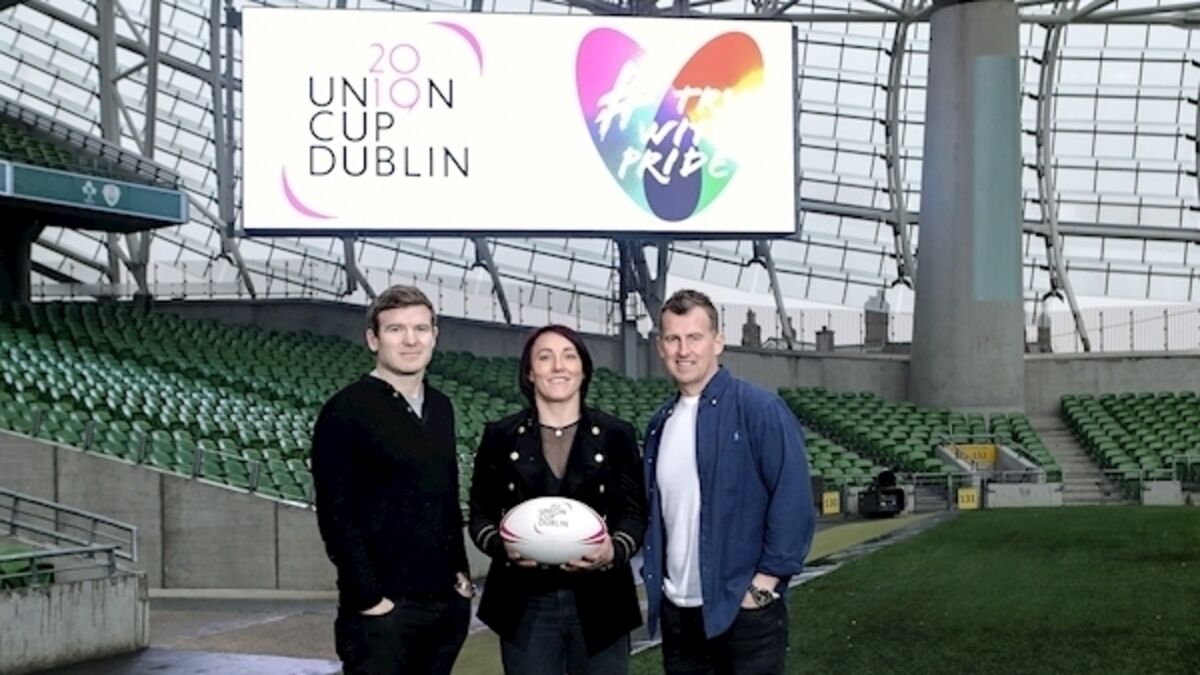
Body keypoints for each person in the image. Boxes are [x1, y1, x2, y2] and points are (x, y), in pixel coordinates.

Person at [642, 289, 816, 675]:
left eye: (694, 337)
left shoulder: (759, 408)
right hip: (679, 614)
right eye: (673, 338)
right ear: (660, 347)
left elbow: (793, 500)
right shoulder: (659, 424)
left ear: (718, 341)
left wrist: (762, 587)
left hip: (744, 611)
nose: (683, 350)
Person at [310, 285, 473, 675]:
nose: (410, 340)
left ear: (434, 335)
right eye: (396, 329)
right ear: (373, 339)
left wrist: (461, 577)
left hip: (444, 605)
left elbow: (446, 497)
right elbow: (335, 515)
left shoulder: (441, 407)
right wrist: (370, 599)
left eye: (420, 328)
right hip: (383, 613)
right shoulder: (345, 409)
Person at [468, 324, 647, 674]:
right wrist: (502, 547)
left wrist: (614, 550)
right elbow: (480, 514)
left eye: (569, 356)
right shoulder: (500, 436)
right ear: (529, 372)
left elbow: (635, 514)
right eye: (545, 357)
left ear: (584, 369)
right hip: (524, 605)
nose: (558, 366)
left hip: (603, 602)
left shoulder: (617, 435)